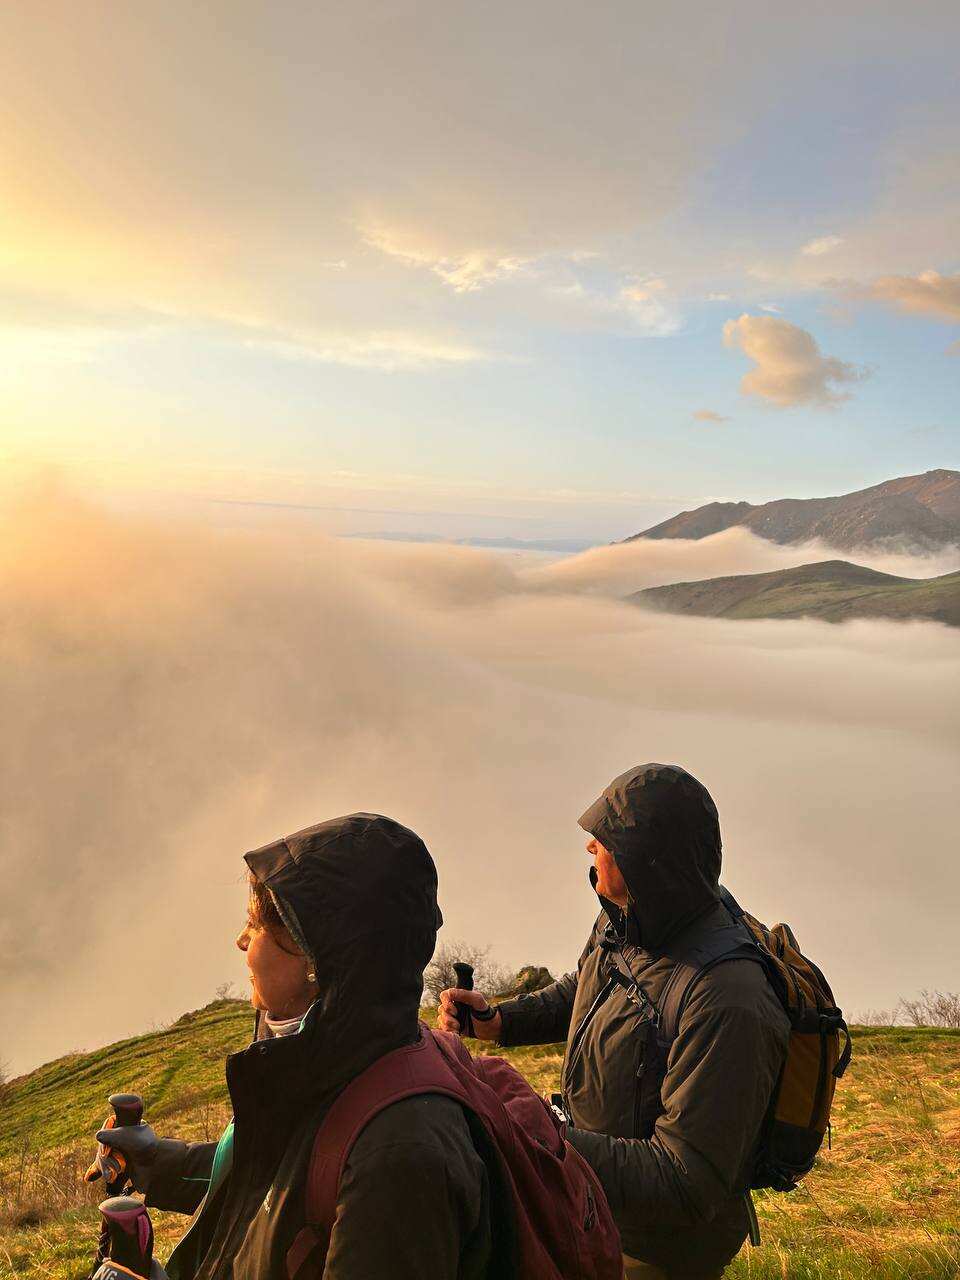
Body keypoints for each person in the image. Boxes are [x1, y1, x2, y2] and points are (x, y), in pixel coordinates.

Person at [96, 813, 504, 1280]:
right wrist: (154, 1164)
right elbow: (280, 1178)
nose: (241, 939)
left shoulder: (398, 1157)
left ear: (317, 955)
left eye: (257, 924)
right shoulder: (338, 1062)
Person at [440, 763, 791, 1280]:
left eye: (604, 840)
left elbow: (685, 1180)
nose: (590, 848)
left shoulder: (726, 996)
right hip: (595, 1213)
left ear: (646, 858)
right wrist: (500, 1022)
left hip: (659, 1250)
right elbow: (585, 985)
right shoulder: (628, 913)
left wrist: (547, 1135)